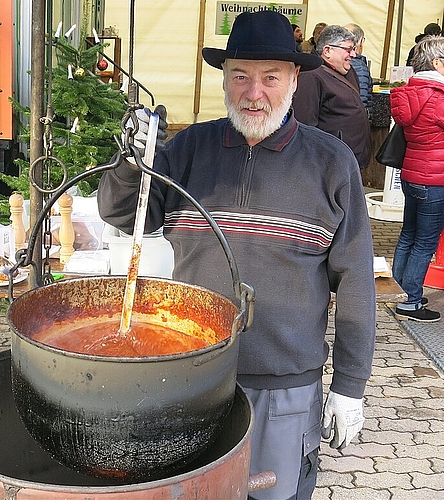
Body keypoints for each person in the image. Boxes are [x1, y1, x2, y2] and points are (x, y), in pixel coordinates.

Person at [97, 10, 376, 500]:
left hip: (283, 384)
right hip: (189, 377)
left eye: (270, 78)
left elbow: (355, 283)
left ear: (294, 80)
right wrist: (130, 161)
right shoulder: (188, 150)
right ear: (223, 80)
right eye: (240, 77)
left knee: (274, 493)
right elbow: (124, 215)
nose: (254, 92)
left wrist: (350, 385)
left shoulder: (332, 163)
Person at [390, 35, 444, 323]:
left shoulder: (410, 93)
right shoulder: (438, 97)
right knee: (424, 244)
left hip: (412, 175)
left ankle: (398, 292)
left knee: (408, 236)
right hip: (436, 180)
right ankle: (410, 302)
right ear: (437, 62)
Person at [293, 25, 372, 169]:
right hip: (328, 165)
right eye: (348, 49)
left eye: (353, 49)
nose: (353, 54)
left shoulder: (348, 70)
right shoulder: (310, 76)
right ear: (327, 50)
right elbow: (304, 126)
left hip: (346, 161)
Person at [344, 22, 373, 119]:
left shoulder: (337, 62)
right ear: (360, 42)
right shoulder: (359, 66)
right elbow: (361, 101)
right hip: (354, 120)